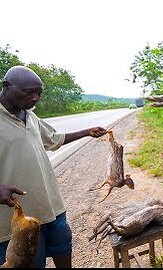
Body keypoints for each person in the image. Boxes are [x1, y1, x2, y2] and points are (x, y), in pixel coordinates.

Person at [0, 65, 108, 268]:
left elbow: (53, 139)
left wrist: (86, 132)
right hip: (17, 222)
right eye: (28, 92)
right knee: (30, 262)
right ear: (7, 86)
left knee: (63, 248)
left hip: (51, 207)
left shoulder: (30, 116)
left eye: (39, 93)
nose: (35, 98)